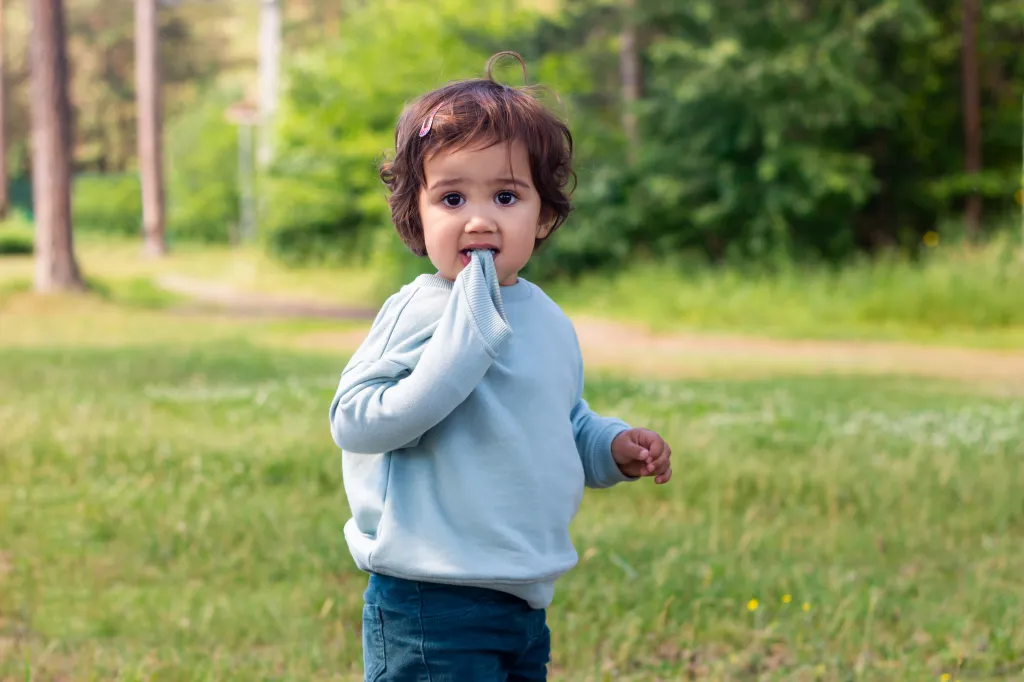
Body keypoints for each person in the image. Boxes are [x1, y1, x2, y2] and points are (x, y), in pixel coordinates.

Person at [329, 51, 673, 682]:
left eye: (506, 196)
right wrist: (456, 360)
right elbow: (354, 419)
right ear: (418, 214)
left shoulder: (546, 319)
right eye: (452, 197)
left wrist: (610, 445)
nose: (479, 218)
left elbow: (561, 421)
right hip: (429, 597)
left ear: (542, 216)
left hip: (521, 598)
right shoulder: (421, 309)